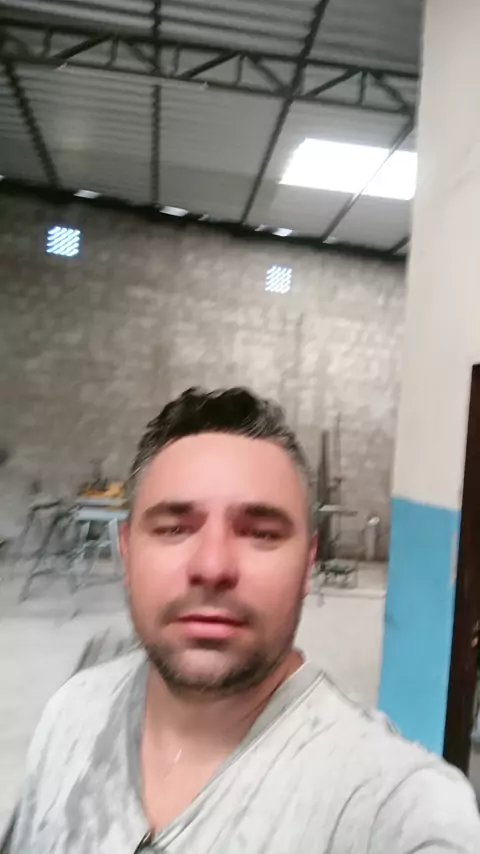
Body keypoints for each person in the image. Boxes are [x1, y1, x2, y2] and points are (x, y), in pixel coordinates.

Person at [10, 388, 480, 853]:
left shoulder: (394, 803)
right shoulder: (71, 714)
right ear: (127, 552)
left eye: (261, 533)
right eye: (174, 528)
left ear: (308, 564)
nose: (213, 567)